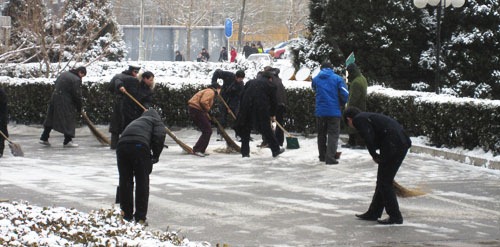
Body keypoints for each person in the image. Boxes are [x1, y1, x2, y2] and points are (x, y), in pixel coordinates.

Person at [343, 106, 411, 225]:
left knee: (385, 182)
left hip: (393, 144)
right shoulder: (367, 116)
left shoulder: (359, 119)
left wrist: (373, 154)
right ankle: (374, 212)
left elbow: (368, 136)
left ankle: (395, 216)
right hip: (400, 142)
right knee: (383, 180)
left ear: (349, 119)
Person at [116, 109, 166, 225]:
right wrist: (155, 156)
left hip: (121, 146)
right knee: (142, 182)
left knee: (125, 181)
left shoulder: (136, 121)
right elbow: (159, 136)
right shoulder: (156, 121)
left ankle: (126, 215)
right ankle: (140, 218)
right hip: (139, 146)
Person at [234, 71, 285, 158]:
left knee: (246, 130)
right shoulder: (270, 85)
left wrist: (242, 108)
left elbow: (241, 95)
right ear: (270, 78)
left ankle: (245, 153)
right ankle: (275, 150)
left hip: (246, 108)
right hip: (260, 109)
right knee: (267, 130)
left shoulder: (250, 82)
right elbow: (274, 102)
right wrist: (272, 114)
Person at [39, 66, 87, 147]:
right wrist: (79, 107)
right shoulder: (76, 79)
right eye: (83, 75)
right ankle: (67, 141)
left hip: (55, 98)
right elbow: (77, 95)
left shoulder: (64, 74)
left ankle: (44, 137)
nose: (82, 77)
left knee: (51, 118)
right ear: (80, 72)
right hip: (66, 102)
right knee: (69, 119)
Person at [311, 62, 349, 165]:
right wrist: (341, 103)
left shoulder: (316, 79)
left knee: (321, 134)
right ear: (331, 68)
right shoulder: (337, 79)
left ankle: (322, 156)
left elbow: (314, 89)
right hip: (333, 112)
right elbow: (345, 94)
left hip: (320, 112)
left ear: (321, 68)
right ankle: (330, 158)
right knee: (333, 135)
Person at [108, 65, 141, 149]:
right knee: (127, 126)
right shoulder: (133, 80)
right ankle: (125, 146)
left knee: (115, 127)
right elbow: (134, 94)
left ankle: (114, 145)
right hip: (127, 105)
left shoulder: (117, 76)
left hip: (117, 103)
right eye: (135, 72)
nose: (136, 75)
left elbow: (110, 88)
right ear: (132, 71)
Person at [211, 69, 246, 139]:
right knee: (222, 118)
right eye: (239, 78)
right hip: (223, 98)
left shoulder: (241, 85)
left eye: (241, 79)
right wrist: (214, 83)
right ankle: (220, 134)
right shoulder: (229, 75)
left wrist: (231, 107)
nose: (240, 80)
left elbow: (238, 97)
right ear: (236, 77)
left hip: (233, 101)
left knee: (236, 118)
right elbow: (217, 72)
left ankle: (238, 134)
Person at [187, 85, 221, 157]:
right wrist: (209, 110)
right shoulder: (210, 91)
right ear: (217, 89)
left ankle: (200, 149)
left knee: (207, 130)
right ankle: (197, 150)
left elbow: (204, 110)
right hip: (196, 110)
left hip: (195, 110)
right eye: (220, 90)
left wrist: (210, 119)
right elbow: (203, 102)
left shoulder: (207, 91)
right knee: (207, 131)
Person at [342, 63, 368, 149]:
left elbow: (353, 98)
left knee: (353, 125)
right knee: (359, 124)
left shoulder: (356, 82)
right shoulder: (362, 78)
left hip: (356, 107)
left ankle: (357, 143)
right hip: (362, 106)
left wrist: (347, 108)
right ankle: (355, 142)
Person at [264, 66, 287, 147]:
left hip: (275, 103)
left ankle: (269, 142)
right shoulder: (277, 78)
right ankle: (279, 141)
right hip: (281, 103)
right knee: (280, 123)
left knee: (267, 123)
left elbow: (269, 94)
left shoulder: (270, 80)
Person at [0, 88, 8, 158]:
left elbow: (2, 108)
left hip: (1, 119)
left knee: (1, 136)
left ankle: (0, 152)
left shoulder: (1, 94)